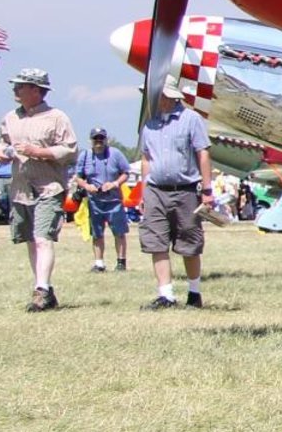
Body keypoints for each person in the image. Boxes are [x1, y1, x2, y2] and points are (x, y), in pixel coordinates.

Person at [0, 68, 77, 311]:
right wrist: (1, 152)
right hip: (20, 188)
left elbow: (70, 151)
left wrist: (39, 152)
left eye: (20, 86)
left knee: (43, 238)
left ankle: (40, 290)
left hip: (49, 188)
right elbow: (3, 144)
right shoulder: (11, 117)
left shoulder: (57, 117)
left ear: (36, 90)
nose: (15, 89)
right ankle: (44, 287)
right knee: (31, 240)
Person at [137, 76, 214, 310]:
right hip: (155, 190)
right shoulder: (149, 124)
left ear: (167, 95)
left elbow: (203, 153)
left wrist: (208, 190)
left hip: (186, 191)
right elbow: (146, 160)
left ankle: (194, 293)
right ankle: (166, 294)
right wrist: (143, 191)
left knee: (189, 243)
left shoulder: (192, 120)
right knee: (156, 242)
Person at [73, 127, 132, 273]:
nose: (98, 141)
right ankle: (99, 263)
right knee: (97, 233)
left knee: (119, 232)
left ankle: (121, 262)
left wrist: (114, 184)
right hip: (94, 201)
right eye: (95, 139)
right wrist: (87, 186)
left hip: (114, 200)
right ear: (91, 141)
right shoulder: (85, 155)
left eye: (101, 138)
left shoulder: (116, 154)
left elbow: (126, 172)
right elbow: (78, 177)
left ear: (106, 139)